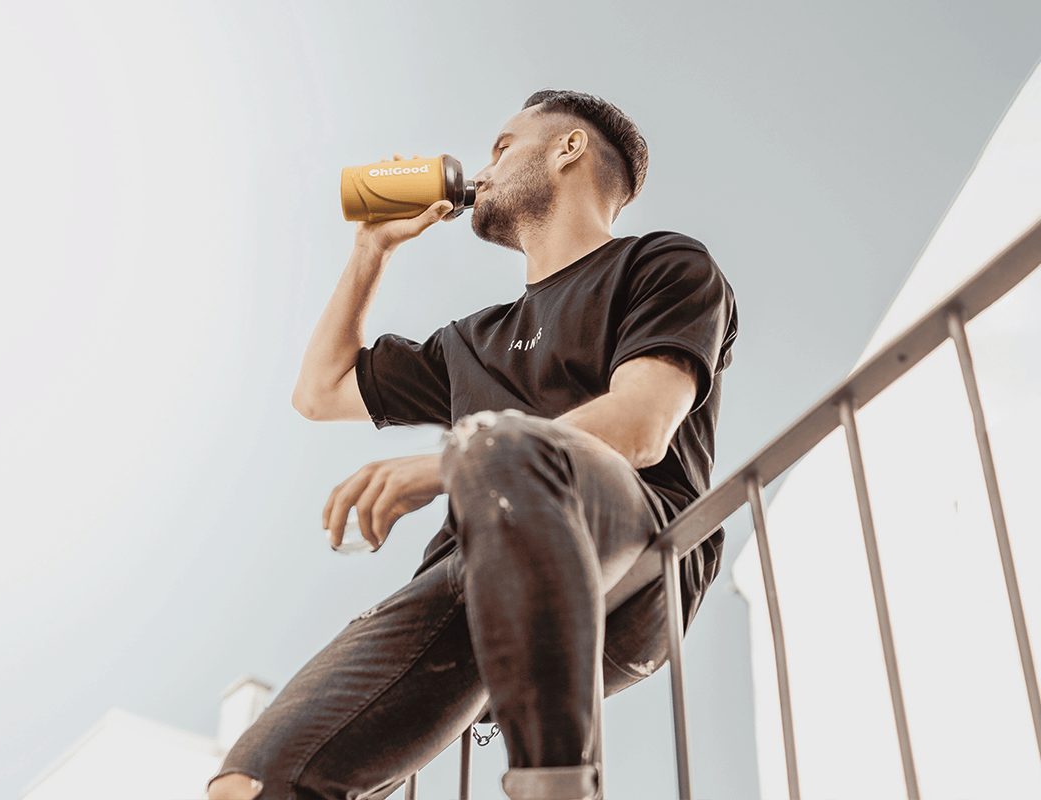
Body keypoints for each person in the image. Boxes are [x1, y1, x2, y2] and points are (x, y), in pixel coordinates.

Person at [208, 89, 737, 800]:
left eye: (501, 146)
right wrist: (371, 249)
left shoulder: (664, 265)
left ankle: (554, 785)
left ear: (567, 148)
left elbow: (641, 425)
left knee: (497, 446)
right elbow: (319, 392)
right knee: (253, 781)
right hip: (475, 572)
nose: (482, 169)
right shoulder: (468, 343)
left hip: (634, 557)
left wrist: (449, 464)